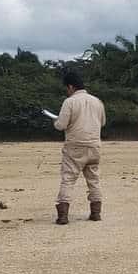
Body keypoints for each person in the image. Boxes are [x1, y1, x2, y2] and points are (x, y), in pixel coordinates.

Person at [53, 70, 106, 225]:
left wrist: (55, 121)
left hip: (75, 146)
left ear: (70, 87)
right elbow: (102, 123)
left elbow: (61, 125)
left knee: (68, 179)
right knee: (94, 179)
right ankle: (96, 213)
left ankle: (63, 215)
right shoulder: (97, 101)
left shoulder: (69, 102)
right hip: (95, 145)